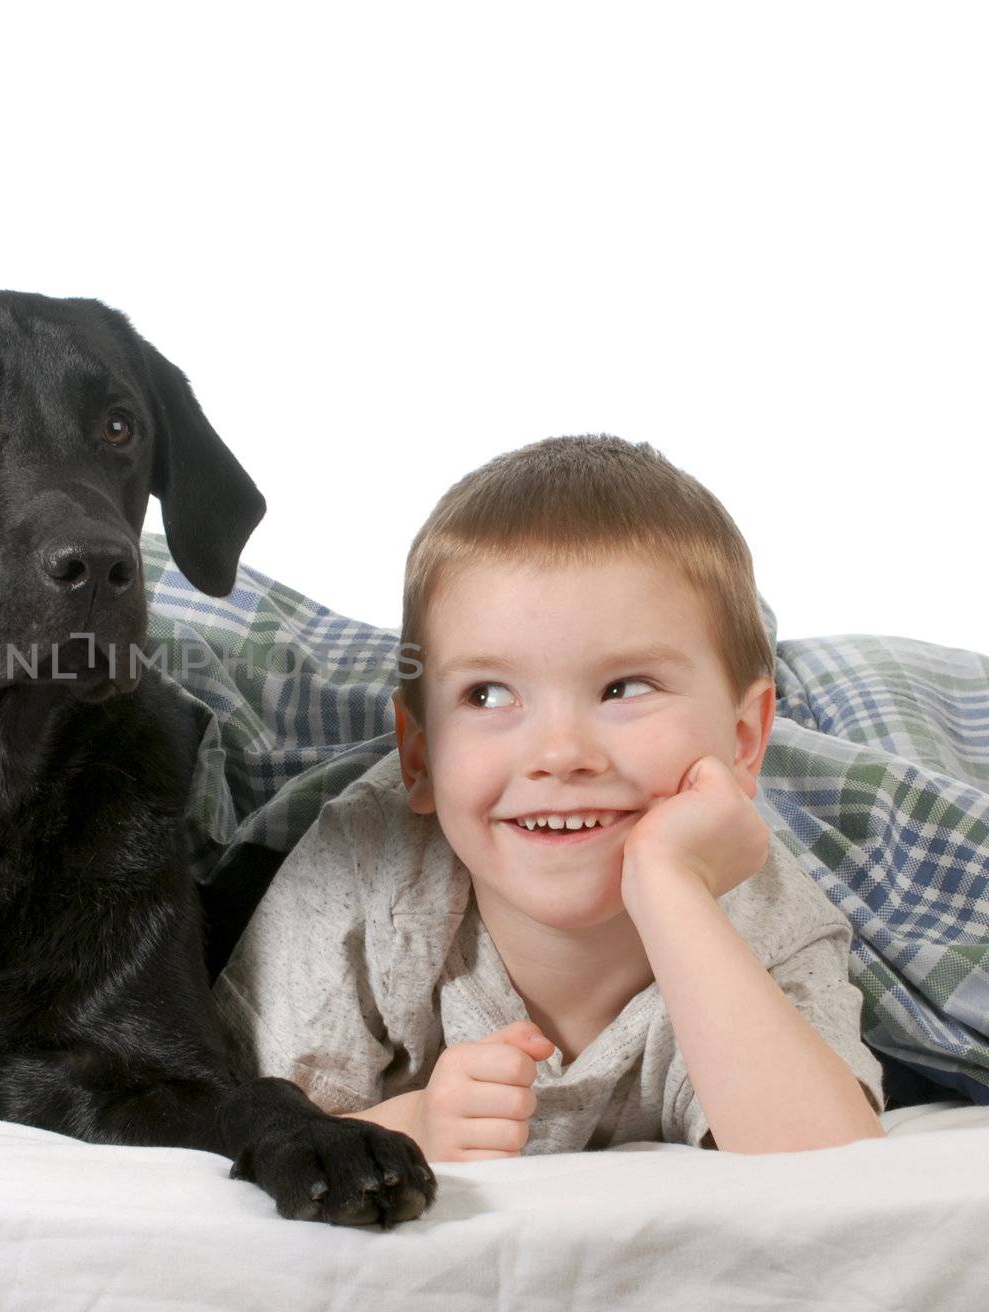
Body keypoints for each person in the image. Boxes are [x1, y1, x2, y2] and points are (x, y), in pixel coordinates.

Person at [212, 435, 885, 1159]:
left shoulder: (756, 906)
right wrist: (416, 1126)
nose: (560, 753)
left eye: (624, 688)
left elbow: (829, 1165)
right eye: (488, 693)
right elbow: (245, 1121)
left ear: (746, 738)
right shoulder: (367, 872)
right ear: (419, 755)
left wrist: (670, 887)